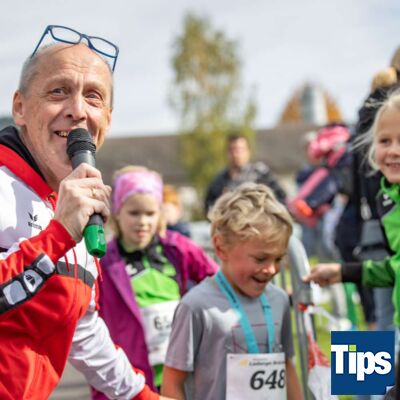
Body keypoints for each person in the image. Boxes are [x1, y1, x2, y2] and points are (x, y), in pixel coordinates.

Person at [0, 25, 172, 400]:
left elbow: (82, 328)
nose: (77, 111)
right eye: (58, 91)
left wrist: (144, 396)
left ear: (106, 119)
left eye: (93, 97)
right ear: (20, 108)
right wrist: (58, 235)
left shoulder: (76, 209)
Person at [162, 183, 303, 400]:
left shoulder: (279, 300)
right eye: (260, 259)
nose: (271, 269)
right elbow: (173, 382)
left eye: (278, 259)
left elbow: (286, 364)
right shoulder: (196, 306)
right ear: (220, 248)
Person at [92, 166, 218, 398]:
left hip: (178, 373)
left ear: (160, 213)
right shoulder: (103, 262)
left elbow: (218, 280)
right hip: (130, 378)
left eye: (150, 213)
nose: (142, 221)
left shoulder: (177, 248)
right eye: (134, 213)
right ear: (117, 212)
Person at [303, 87, 400, 331]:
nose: (393, 150)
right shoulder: (388, 198)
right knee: (353, 353)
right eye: (385, 141)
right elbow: (396, 268)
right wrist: (342, 272)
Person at [204, 133, 286, 213]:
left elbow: (281, 198)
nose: (236, 154)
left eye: (240, 150)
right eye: (232, 150)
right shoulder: (220, 180)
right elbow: (208, 207)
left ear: (248, 151)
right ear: (227, 152)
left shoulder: (260, 173)